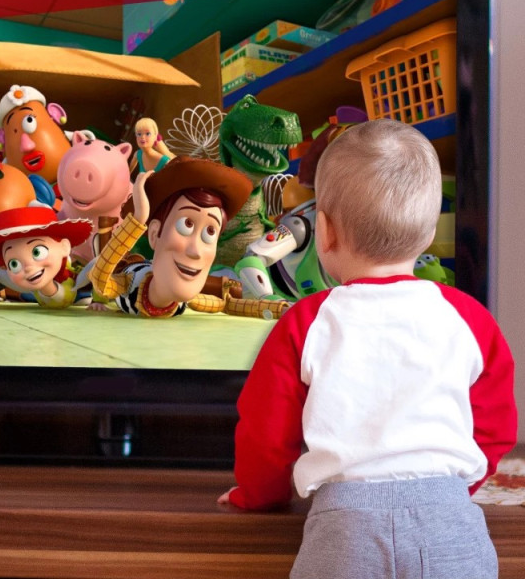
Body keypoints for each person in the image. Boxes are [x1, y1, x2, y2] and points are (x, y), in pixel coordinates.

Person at [218, 119, 517, 579]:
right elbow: (495, 427)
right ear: (428, 232)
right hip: (452, 524)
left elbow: (266, 435)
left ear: (324, 231)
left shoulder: (307, 321)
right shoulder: (469, 319)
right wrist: (457, 489)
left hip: (344, 532)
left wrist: (257, 496)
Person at [90, 156, 288, 319]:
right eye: (186, 225)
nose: (196, 251)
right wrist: (138, 220)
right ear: (155, 234)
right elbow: (101, 281)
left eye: (210, 232)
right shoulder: (130, 282)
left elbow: (226, 304)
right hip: (128, 264)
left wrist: (278, 309)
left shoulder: (185, 301)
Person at [0, 206, 93, 311]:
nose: (29, 267)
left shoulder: (75, 278)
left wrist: (98, 301)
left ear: (64, 247)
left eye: (38, 252)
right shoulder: (18, 276)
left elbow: (96, 267)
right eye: (13, 263)